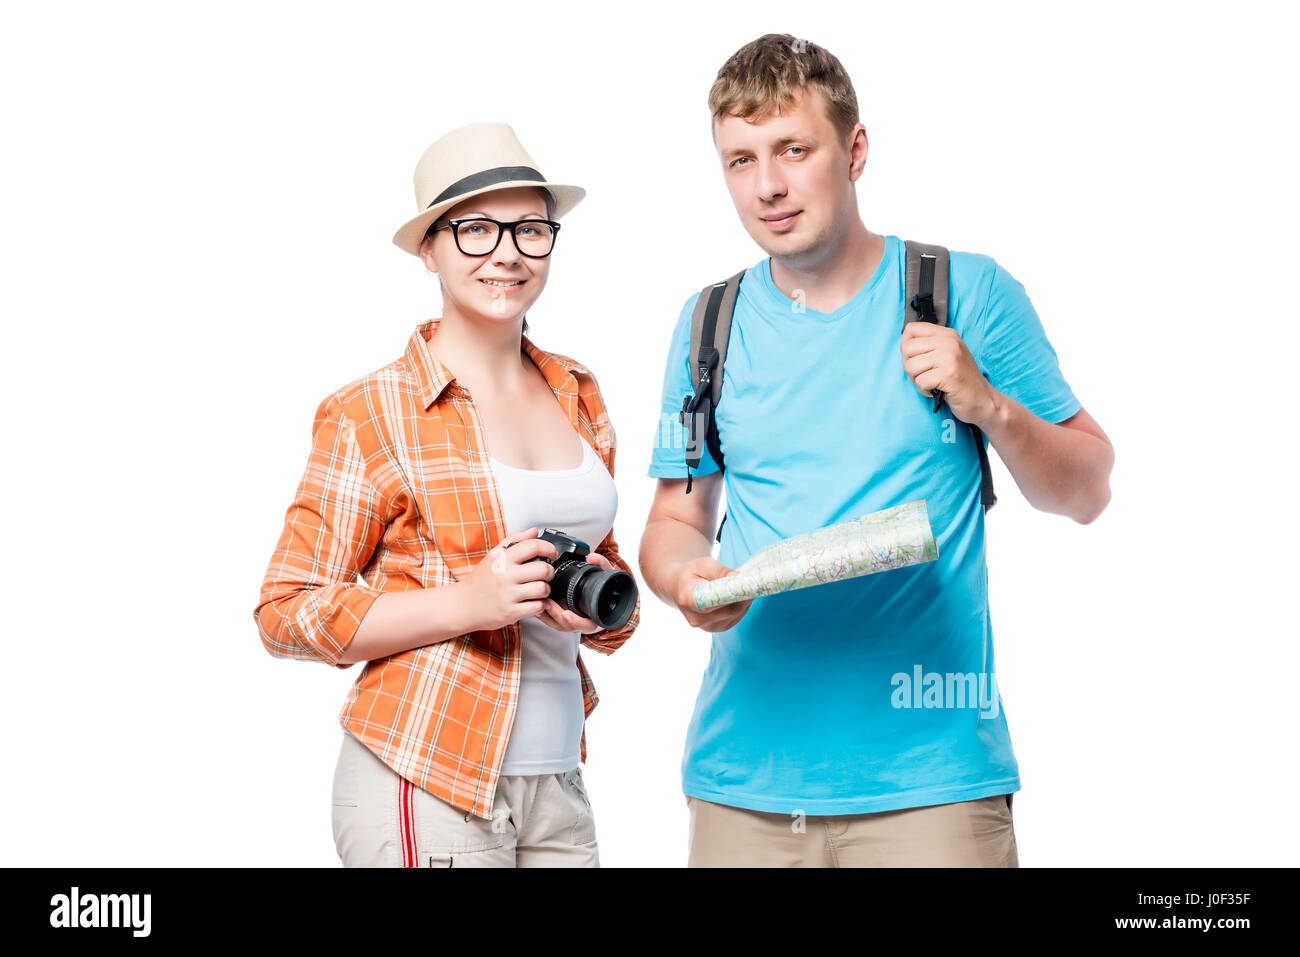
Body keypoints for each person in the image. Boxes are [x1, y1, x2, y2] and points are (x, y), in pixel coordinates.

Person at [639, 35, 1115, 867]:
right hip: (744, 783)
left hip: (932, 789)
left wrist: (990, 405)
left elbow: (1088, 490)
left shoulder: (965, 292)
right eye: (740, 160)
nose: (768, 185)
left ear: (854, 150)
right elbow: (676, 522)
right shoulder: (705, 323)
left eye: (794, 149)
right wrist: (684, 579)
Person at [253, 122, 640, 867]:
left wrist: (595, 607)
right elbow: (283, 611)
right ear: (428, 249)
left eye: (530, 228)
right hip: (426, 770)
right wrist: (467, 603)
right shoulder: (374, 410)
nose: (506, 252)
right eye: (474, 229)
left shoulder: (577, 389)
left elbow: (608, 581)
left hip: (558, 775)